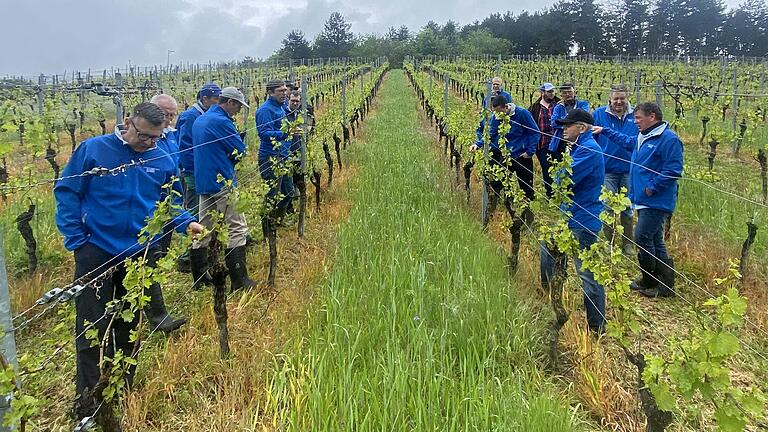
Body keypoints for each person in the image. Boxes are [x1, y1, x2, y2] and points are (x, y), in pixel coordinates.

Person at [54, 103, 204, 423]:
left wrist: (185, 221)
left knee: (129, 322)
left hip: (139, 252)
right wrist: (77, 240)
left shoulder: (162, 157)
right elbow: (67, 191)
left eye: (156, 137)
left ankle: (122, 387)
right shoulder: (94, 150)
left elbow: (169, 202)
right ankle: (88, 400)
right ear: (127, 123)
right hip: (96, 250)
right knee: (90, 326)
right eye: (144, 136)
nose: (149, 143)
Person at [594, 102, 683, 298]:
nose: (635, 122)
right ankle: (663, 284)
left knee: (641, 237)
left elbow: (673, 170)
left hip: (656, 200)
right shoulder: (644, 136)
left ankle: (651, 279)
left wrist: (652, 188)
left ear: (652, 116)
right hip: (643, 198)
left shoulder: (668, 139)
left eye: (638, 118)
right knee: (655, 239)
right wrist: (606, 131)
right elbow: (626, 141)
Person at [540, 109, 606, 334]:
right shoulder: (580, 147)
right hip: (574, 215)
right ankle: (550, 291)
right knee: (549, 248)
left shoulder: (587, 149)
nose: (563, 129)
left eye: (568, 125)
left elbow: (563, 178)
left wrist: (558, 175)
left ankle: (597, 326)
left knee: (588, 273)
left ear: (582, 128)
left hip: (583, 219)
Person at [190, 87, 256, 292]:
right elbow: (240, 150)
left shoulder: (200, 119)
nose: (237, 111)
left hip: (203, 181)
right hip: (222, 181)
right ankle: (239, 279)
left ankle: (200, 278)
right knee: (237, 226)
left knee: (203, 228)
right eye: (238, 106)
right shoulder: (222, 121)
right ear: (230, 103)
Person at [145, 94, 187, 333]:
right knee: (147, 260)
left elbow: (174, 169)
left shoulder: (170, 137)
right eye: (165, 114)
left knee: (158, 255)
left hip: (168, 205)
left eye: (173, 114)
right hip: (150, 210)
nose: (170, 119)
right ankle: (157, 315)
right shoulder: (147, 140)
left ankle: (151, 308)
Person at [470, 95, 540, 227]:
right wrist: (478, 144)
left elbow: (535, 132)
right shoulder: (497, 117)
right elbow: (491, 134)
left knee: (526, 188)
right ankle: (490, 214)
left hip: (522, 157)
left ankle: (529, 220)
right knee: (496, 183)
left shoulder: (522, 114)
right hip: (506, 156)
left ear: (506, 107)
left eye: (498, 111)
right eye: (494, 112)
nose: (496, 115)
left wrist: (529, 152)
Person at [175, 83, 221, 273]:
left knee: (204, 211)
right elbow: (185, 149)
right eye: (215, 100)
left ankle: (201, 249)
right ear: (205, 99)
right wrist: (194, 170)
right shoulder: (190, 117)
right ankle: (187, 257)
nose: (218, 103)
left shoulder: (204, 115)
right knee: (194, 211)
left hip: (203, 171)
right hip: (192, 172)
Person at [591, 85, 638, 254]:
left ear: (627, 98)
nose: (619, 102)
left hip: (629, 170)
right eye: (616, 98)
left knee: (628, 209)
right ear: (610, 99)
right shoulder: (598, 115)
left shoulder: (635, 116)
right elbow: (590, 138)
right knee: (608, 208)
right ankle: (609, 242)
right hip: (607, 170)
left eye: (622, 98)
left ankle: (628, 244)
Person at [257, 80, 298, 228]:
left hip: (284, 155)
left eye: (285, 90)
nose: (284, 93)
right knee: (272, 193)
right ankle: (267, 225)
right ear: (270, 92)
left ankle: (278, 221)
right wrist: (285, 133)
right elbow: (264, 133)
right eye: (280, 91)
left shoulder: (281, 109)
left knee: (288, 191)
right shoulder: (265, 110)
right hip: (270, 157)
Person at [528, 83, 560, 197]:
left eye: (553, 91)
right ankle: (550, 194)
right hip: (542, 144)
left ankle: (561, 193)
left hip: (558, 143)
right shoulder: (534, 108)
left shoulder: (559, 105)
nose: (552, 93)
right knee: (547, 168)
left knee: (560, 168)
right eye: (549, 91)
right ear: (542, 92)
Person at [549, 83, 590, 159]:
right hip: (561, 141)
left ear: (575, 92)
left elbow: (584, 118)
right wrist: (574, 122)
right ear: (561, 95)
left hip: (579, 140)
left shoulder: (583, 104)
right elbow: (554, 123)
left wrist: (562, 121)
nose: (568, 94)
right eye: (564, 93)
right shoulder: (558, 107)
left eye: (570, 92)